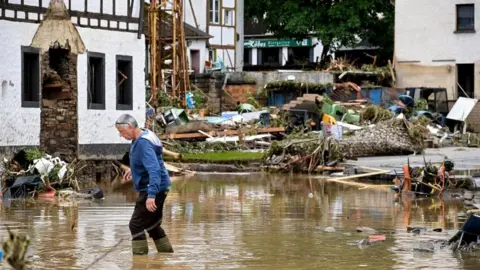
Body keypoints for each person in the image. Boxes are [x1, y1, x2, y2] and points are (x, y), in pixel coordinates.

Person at [115, 114, 174, 255]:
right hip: (160, 186)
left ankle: (139, 262)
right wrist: (134, 170)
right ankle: (166, 256)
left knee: (135, 224)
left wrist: (151, 195)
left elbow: (154, 170)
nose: (121, 136)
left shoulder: (143, 143)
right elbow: (149, 160)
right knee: (152, 225)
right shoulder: (143, 134)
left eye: (122, 132)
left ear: (130, 127)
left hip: (153, 188)